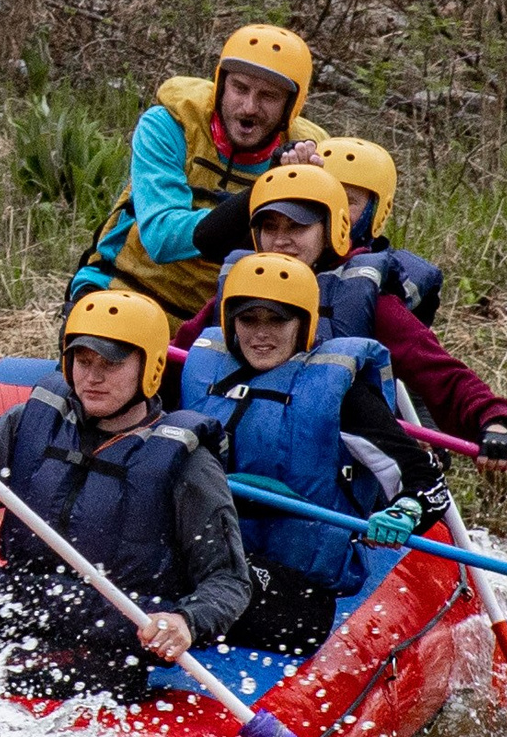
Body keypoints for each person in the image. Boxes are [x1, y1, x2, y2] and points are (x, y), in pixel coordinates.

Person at [0, 292, 250, 703]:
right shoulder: (29, 423)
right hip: (18, 638)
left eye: (111, 364)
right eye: (84, 361)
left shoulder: (188, 463)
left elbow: (228, 580)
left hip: (108, 660)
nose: (93, 377)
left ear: (150, 367)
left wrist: (184, 621)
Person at [176, 252, 452, 655]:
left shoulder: (343, 396)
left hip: (296, 591)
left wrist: (405, 511)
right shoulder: (200, 374)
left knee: (209, 587)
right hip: (208, 562)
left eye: (277, 320)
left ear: (303, 323)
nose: (261, 334)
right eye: (248, 320)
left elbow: (427, 483)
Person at [178, 162, 507, 472]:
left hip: (332, 469)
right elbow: (175, 358)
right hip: (237, 457)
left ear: (332, 229)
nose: (280, 240)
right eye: (270, 226)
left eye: (297, 226)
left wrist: (493, 421)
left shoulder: (366, 299)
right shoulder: (238, 292)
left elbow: (440, 373)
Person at [68, 23, 329, 320]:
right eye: (240, 88)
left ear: (290, 107)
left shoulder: (311, 155)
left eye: (268, 96)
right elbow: (161, 238)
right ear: (221, 85)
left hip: (221, 321)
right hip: (124, 291)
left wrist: (302, 190)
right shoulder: (168, 124)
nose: (249, 107)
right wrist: (268, 191)